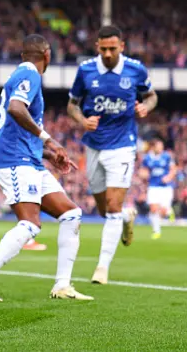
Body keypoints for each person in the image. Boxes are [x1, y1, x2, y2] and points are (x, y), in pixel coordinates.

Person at [0, 35, 93, 301]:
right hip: (14, 160)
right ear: (46, 55)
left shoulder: (21, 74)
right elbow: (16, 109)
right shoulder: (30, 75)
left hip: (29, 159)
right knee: (30, 224)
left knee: (72, 214)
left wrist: (47, 153)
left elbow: (17, 126)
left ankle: (62, 285)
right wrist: (49, 139)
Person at [67, 25, 158, 285]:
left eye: (112, 48)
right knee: (104, 209)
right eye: (103, 48)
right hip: (94, 143)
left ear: (122, 46)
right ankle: (127, 217)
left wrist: (145, 107)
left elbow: (152, 96)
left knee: (113, 206)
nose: (108, 53)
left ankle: (102, 267)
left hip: (122, 144)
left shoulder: (135, 69)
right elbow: (72, 104)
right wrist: (83, 120)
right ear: (97, 47)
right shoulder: (85, 70)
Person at [141, 137, 176, 239]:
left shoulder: (167, 156)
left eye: (162, 146)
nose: (161, 148)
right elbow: (144, 170)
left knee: (163, 211)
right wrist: (143, 175)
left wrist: (168, 177)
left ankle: (169, 211)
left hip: (165, 187)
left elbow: (173, 170)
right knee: (153, 209)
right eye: (159, 146)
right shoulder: (147, 158)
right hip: (153, 186)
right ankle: (156, 231)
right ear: (154, 147)